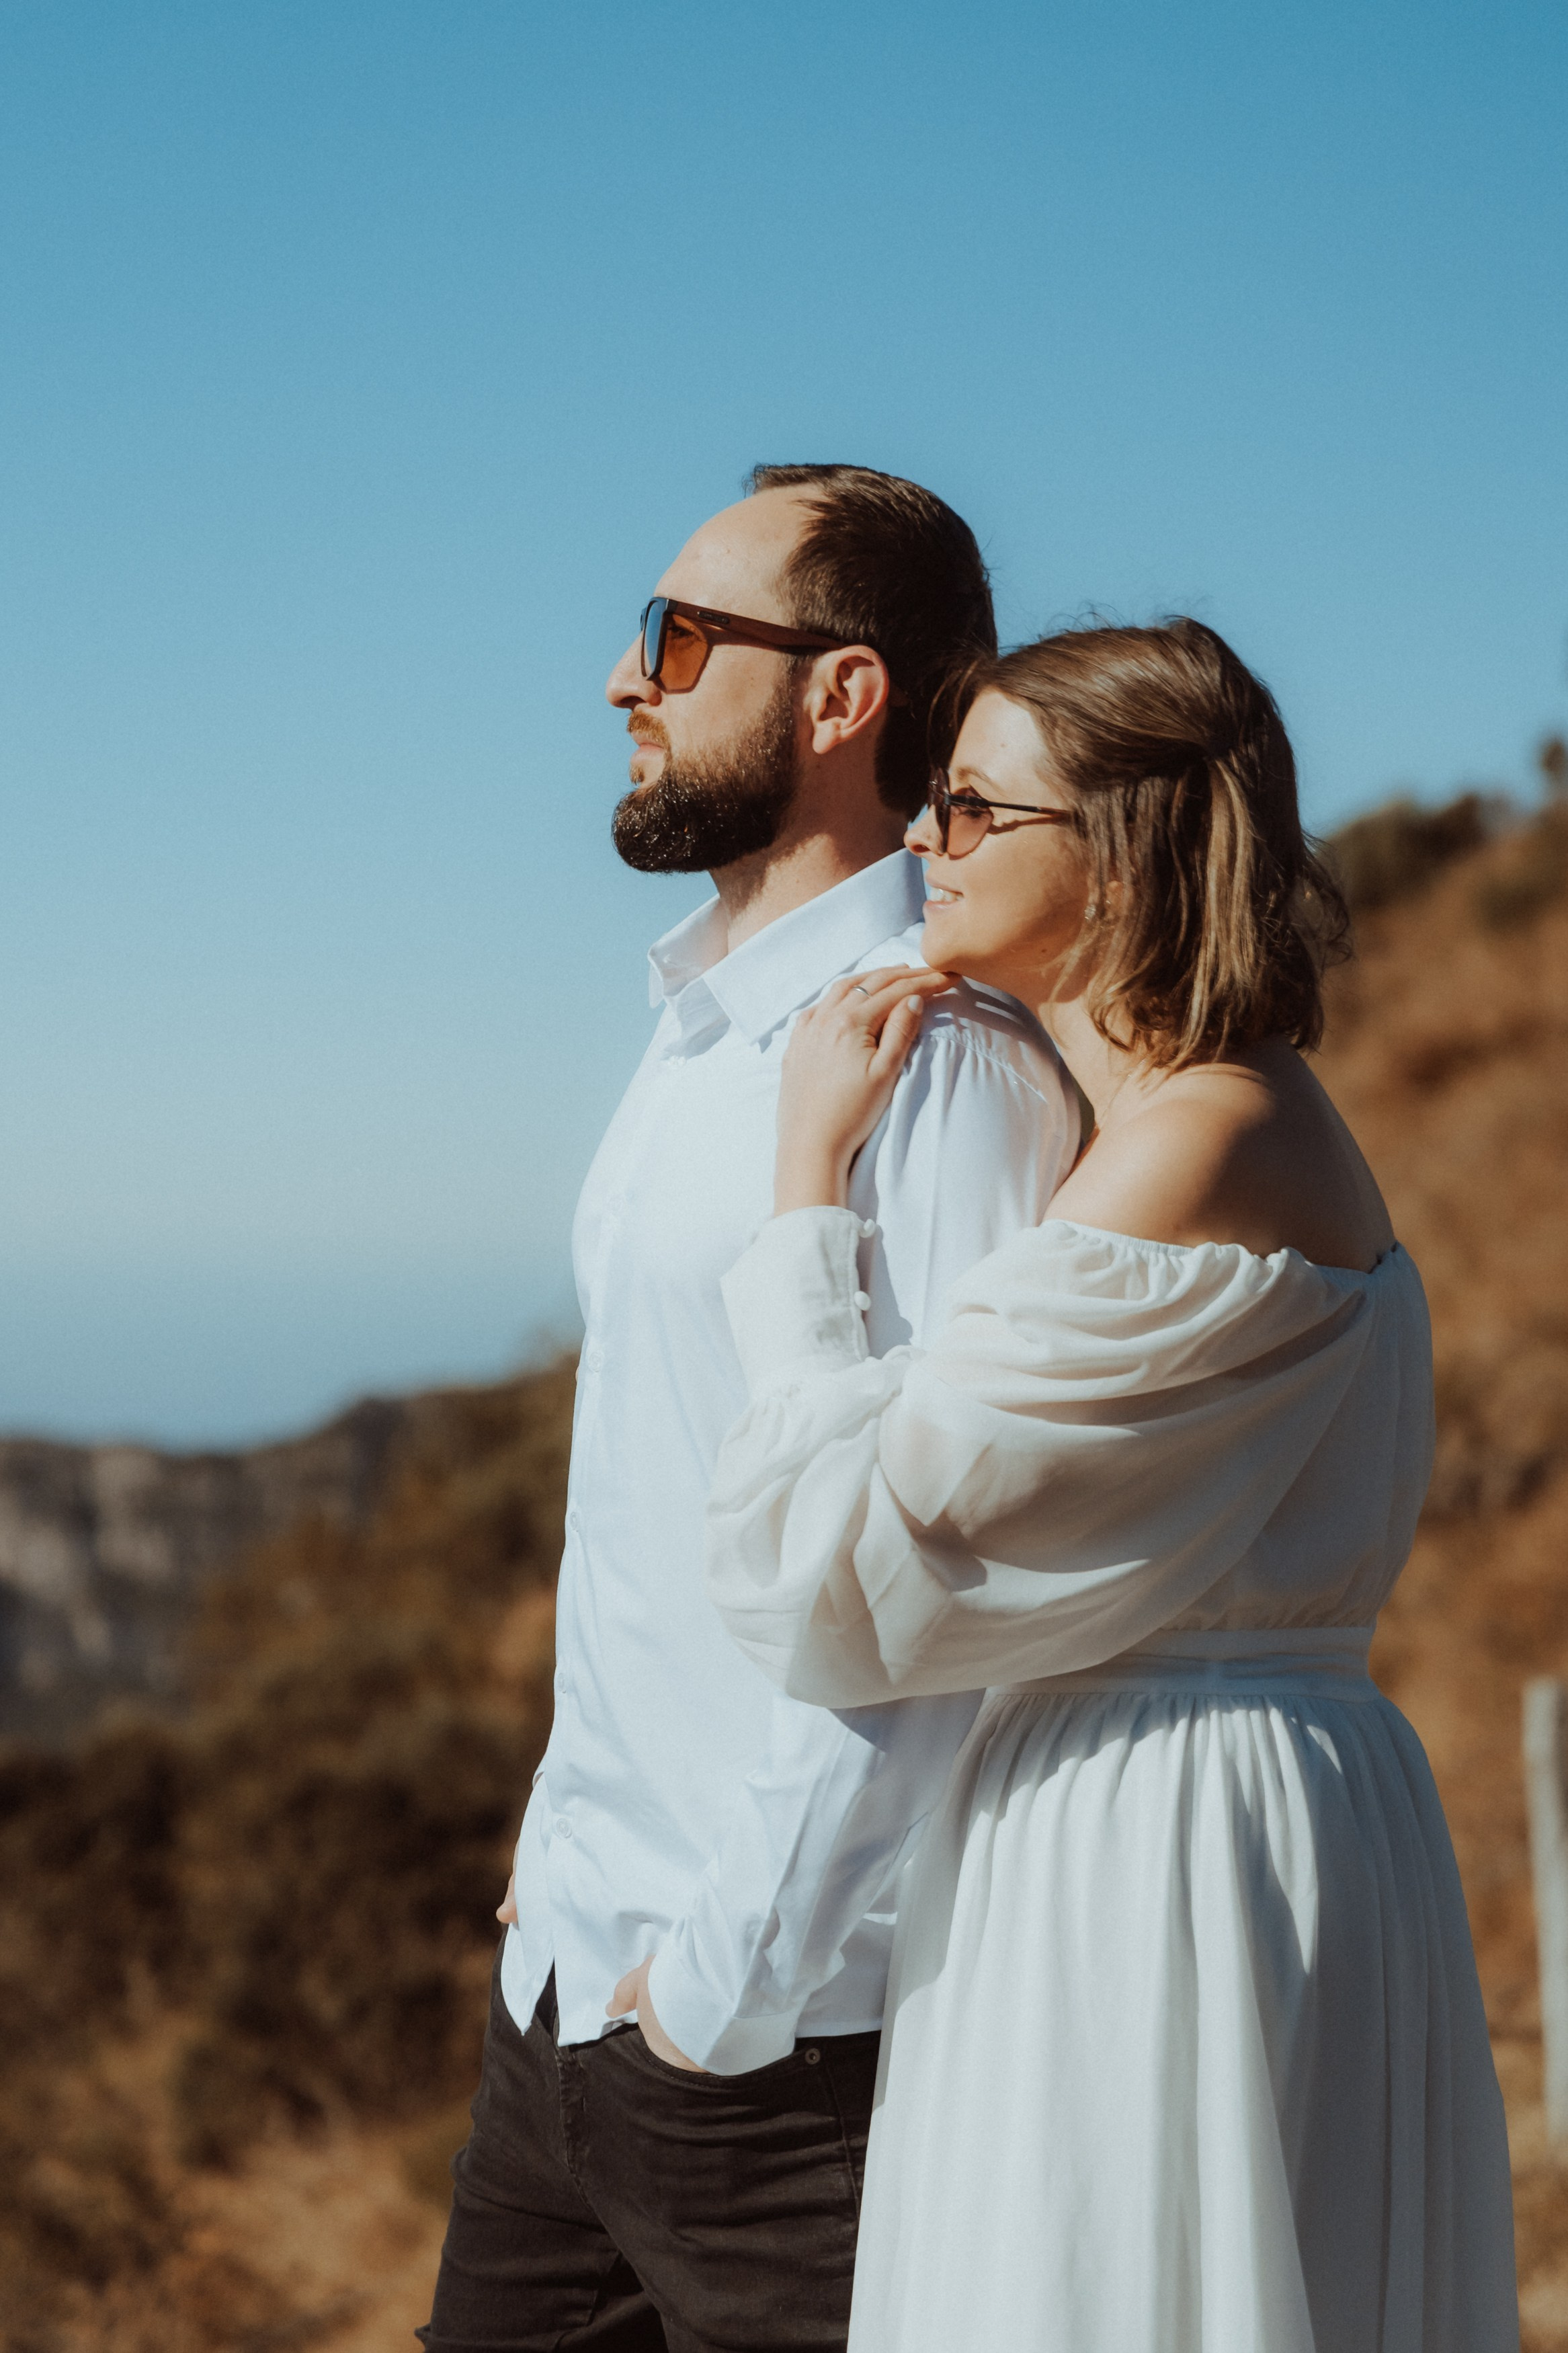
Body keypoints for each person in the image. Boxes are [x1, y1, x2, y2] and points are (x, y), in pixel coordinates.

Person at [705, 619, 1520, 2352]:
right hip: (1244, 1792)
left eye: (975, 810)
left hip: (1153, 1826)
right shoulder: (1218, 1120)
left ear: (1127, 851)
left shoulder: (1195, 1142)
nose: (922, 840)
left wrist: (804, 1183)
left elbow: (844, 1565)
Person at [420, 467, 1081, 2352]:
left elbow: (931, 1562)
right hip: (566, 2003)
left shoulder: (928, 1056)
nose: (625, 681)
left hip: (778, 2064)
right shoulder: (704, 1020)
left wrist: (719, 1985)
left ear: (842, 696)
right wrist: (569, 1876)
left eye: (677, 637)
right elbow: (657, 1495)